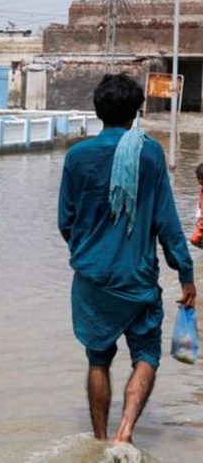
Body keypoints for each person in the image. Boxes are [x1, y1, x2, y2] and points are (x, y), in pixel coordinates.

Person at [58, 73, 196, 444]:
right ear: (136, 112)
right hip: (136, 280)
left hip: (92, 281)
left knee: (98, 359)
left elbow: (65, 222)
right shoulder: (149, 152)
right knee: (147, 354)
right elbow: (167, 222)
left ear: (97, 110)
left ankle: (100, 440)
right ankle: (125, 433)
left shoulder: (76, 157)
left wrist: (90, 253)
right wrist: (186, 274)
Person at [189, 162, 203, 247]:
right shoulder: (201, 189)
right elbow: (200, 204)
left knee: (194, 239)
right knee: (194, 240)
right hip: (201, 220)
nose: (198, 181)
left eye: (199, 178)